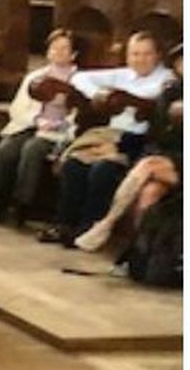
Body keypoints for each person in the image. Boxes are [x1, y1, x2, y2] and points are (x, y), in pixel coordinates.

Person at [42, 31, 175, 246]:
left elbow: (147, 98)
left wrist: (116, 96)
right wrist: (98, 95)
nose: (140, 59)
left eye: (146, 54)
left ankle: (88, 229)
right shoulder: (124, 74)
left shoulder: (166, 79)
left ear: (158, 55)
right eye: (135, 54)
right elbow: (79, 77)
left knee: (102, 170)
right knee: (74, 165)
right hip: (110, 135)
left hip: (141, 140)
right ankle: (65, 225)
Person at [0, 29, 78, 224]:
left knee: (32, 150)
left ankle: (21, 205)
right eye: (55, 48)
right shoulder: (35, 77)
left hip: (57, 132)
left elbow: (78, 113)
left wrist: (60, 124)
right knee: (6, 149)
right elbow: (17, 108)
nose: (59, 52)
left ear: (73, 53)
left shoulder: (79, 79)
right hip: (31, 125)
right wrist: (36, 120)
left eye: (64, 48)